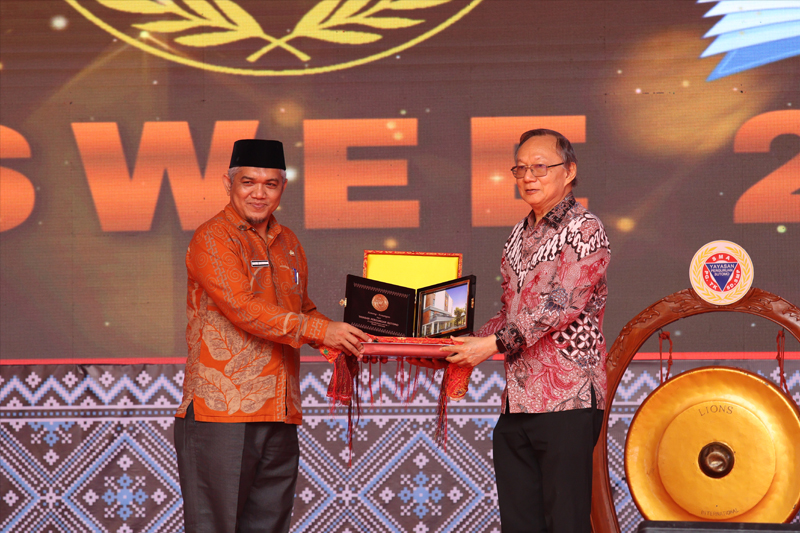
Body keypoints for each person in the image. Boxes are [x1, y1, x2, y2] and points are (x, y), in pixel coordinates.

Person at [174, 139, 370, 533]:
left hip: (280, 412)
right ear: (228, 183)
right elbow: (243, 308)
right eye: (248, 182)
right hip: (222, 414)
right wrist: (323, 331)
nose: (259, 193)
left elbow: (303, 311)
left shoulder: (289, 242)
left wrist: (355, 339)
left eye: (270, 184)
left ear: (283, 187)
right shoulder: (213, 237)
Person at [441, 129, 610, 532]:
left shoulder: (585, 228)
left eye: (540, 167)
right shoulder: (518, 234)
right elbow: (510, 312)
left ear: (569, 171)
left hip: (567, 399)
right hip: (517, 402)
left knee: (565, 524)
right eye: (520, 168)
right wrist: (454, 341)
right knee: (520, 524)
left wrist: (489, 345)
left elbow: (559, 308)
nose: (528, 177)